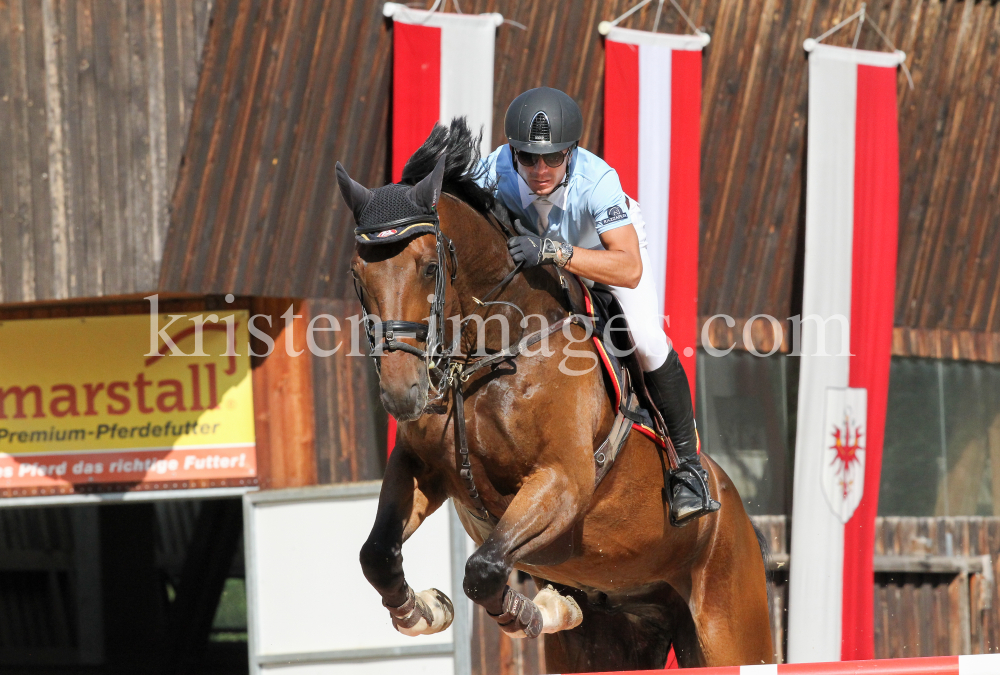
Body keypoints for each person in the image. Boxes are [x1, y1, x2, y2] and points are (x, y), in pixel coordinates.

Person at [476, 87, 719, 526]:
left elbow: (629, 269)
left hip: (604, 254)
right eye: (528, 158)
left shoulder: (598, 180)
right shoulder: (492, 170)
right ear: (513, 151)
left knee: (645, 340)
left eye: (553, 158)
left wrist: (555, 252)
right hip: (539, 254)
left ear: (572, 151)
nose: (540, 169)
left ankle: (688, 469)